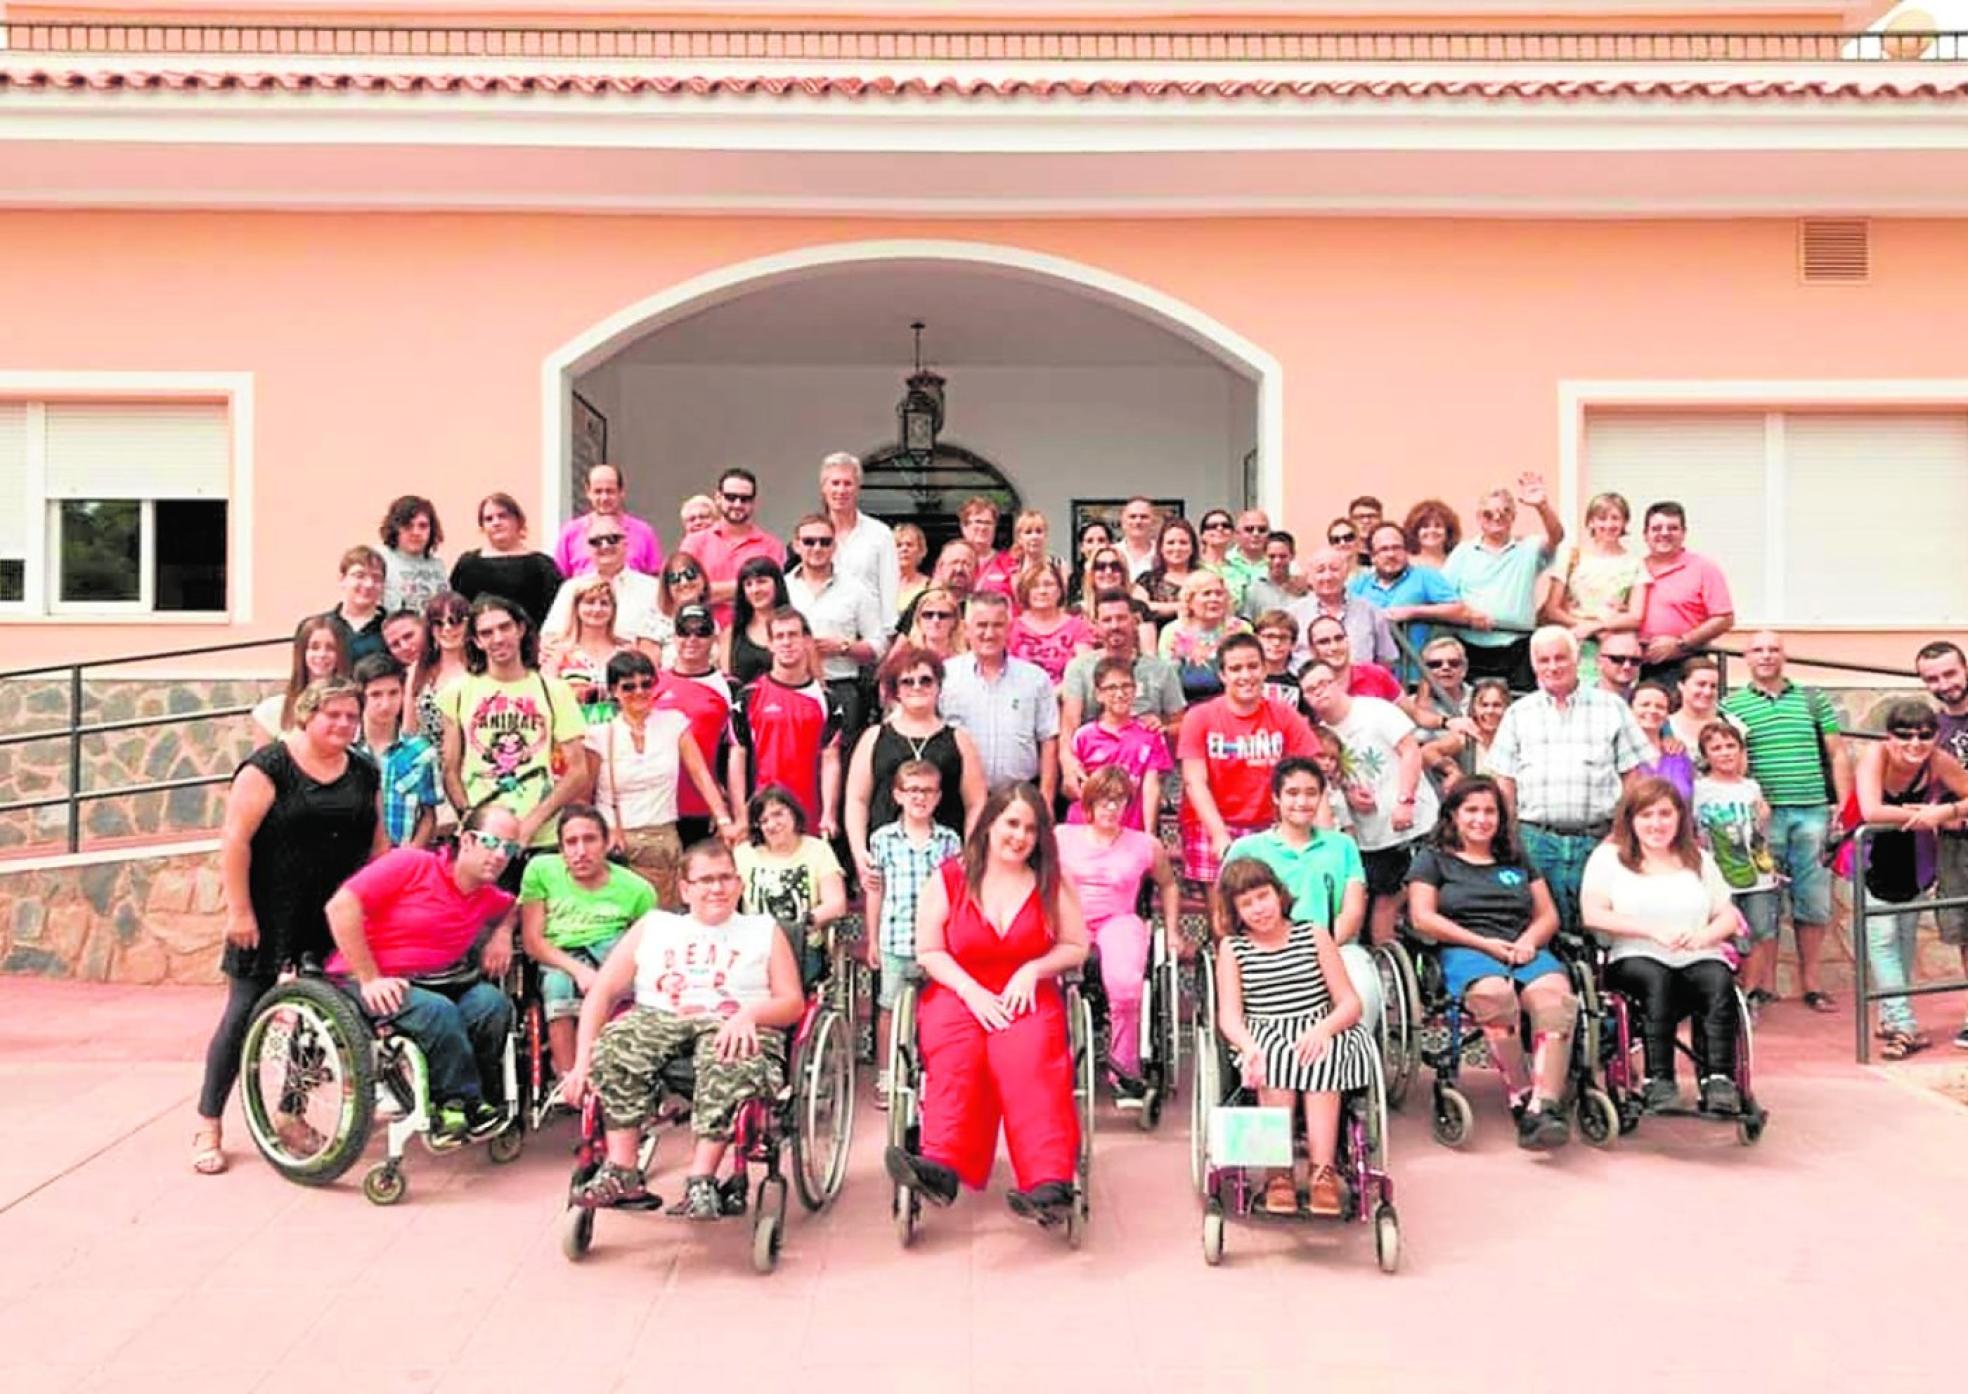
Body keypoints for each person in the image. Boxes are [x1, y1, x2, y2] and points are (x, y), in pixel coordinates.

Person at [192, 679, 385, 1175]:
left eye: (351, 716)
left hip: (333, 915)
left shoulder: (364, 770)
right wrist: (239, 911)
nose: (343, 724)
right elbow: (235, 840)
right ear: (307, 715)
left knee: (322, 1020)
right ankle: (209, 1123)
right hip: (270, 911)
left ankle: (291, 1114)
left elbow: (379, 845)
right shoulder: (268, 767)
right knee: (242, 1014)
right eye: (333, 715)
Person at [562, 838, 806, 1218]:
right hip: (660, 1015)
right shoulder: (655, 926)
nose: (717, 888)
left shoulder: (763, 930)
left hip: (733, 1020)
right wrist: (581, 1065)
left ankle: (701, 1181)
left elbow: (792, 1002)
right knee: (615, 1046)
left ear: (740, 884)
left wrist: (750, 1015)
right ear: (685, 888)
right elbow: (602, 991)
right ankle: (623, 1170)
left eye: (726, 878)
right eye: (705, 880)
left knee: (731, 1058)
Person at [883, 785, 1090, 1227]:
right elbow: (929, 950)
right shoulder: (949, 877)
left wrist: (1034, 969)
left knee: (1028, 1060)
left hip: (1027, 991)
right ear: (990, 824)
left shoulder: (1052, 881)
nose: (1020, 837)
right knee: (958, 1055)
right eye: (1012, 823)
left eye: (1031, 829)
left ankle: (1047, 1180)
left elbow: (1076, 945)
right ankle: (940, 1166)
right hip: (959, 988)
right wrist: (969, 990)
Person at [325, 804, 521, 1143]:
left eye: (510, 848)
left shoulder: (485, 896)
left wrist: (502, 933)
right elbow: (340, 906)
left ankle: (476, 1100)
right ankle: (454, 1104)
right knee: (437, 1011)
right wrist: (370, 977)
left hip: (437, 981)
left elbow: (515, 906)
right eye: (492, 842)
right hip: (365, 980)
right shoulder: (411, 864)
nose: (500, 855)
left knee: (491, 1004)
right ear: (467, 840)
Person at [1406, 777, 1576, 1149]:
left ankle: (1544, 1106)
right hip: (1465, 948)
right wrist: (1484, 944)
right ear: (1453, 814)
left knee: (1555, 1001)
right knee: (1494, 997)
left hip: (1521, 946)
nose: (1481, 819)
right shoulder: (1432, 859)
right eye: (1471, 810)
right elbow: (1422, 918)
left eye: (1490, 811)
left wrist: (1528, 941)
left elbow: (1548, 915)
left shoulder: (1516, 858)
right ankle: (1521, 1093)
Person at [1213, 858, 1375, 1216]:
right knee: (1273, 1058)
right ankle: (1278, 1173)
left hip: (1320, 1024)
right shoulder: (1234, 949)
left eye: (1263, 896)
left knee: (1321, 1055)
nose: (1259, 908)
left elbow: (1350, 1003)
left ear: (1279, 894)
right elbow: (1230, 1016)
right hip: (1263, 1029)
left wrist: (1324, 1029)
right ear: (1235, 911)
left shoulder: (1313, 934)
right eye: (1247, 903)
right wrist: (1248, 1046)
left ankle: (1322, 1172)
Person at [1580, 779, 1745, 1115]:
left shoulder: (1698, 859)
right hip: (1634, 955)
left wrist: (1705, 937)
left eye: (1665, 814)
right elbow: (1593, 914)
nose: (1656, 824)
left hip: (1696, 954)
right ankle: (1659, 1080)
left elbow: (1728, 915)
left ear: (1680, 817)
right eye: (1646, 815)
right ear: (1631, 820)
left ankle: (1719, 1080)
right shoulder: (1609, 859)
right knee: (1657, 979)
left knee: (1717, 978)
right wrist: (1651, 932)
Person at [1719, 630, 1851, 1012]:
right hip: (1764, 817)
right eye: (1758, 649)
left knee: (1813, 901)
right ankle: (1765, 984)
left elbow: (1837, 752)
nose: (1766, 655)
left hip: (1812, 811)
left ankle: (1812, 984)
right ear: (1746, 657)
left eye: (1773, 649)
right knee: (1764, 902)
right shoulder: (1732, 705)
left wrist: (1844, 805)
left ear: (1784, 655)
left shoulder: (1812, 699)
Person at [1486, 625, 1649, 933]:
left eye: (1560, 658)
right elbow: (1504, 782)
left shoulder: (1612, 707)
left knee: (1598, 929)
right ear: (1533, 665)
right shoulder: (1518, 713)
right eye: (1543, 660)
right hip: (1535, 840)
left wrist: (1621, 831)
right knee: (1540, 927)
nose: (1552, 667)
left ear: (1576, 660)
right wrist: (1510, 835)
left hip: (1599, 838)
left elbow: (1633, 777)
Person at [1223, 757, 1382, 1033]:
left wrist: (1317, 950)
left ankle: (1352, 1053)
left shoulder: (1343, 846)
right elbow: (1224, 911)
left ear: (1322, 797)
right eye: (1292, 793)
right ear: (1276, 797)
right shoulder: (1246, 848)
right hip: (1264, 949)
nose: (1302, 802)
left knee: (1364, 989)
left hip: (1336, 947)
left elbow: (1353, 911)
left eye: (1311, 793)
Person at [1056, 767, 1181, 1105]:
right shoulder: (1061, 837)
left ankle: (1123, 1069)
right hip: (1070, 918)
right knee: (1051, 980)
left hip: (1119, 920)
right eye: (1103, 801)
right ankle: (1057, 1062)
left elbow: (1169, 885)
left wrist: (1172, 931)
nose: (1111, 808)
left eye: (1118, 800)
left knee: (1126, 987)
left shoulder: (1145, 844)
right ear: (1088, 803)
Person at [439, 594, 590, 868]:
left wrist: (532, 822)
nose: (497, 638)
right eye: (486, 632)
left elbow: (578, 770)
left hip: (540, 837)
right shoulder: (458, 692)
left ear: (520, 629)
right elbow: (450, 768)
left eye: (504, 627)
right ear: (476, 641)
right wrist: (470, 817)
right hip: (483, 837)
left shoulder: (554, 691)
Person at [1854, 699, 1968, 1058]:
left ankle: (1891, 1016)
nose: (1914, 744)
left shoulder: (1938, 761)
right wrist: (1921, 816)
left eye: (1924, 735)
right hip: (1874, 858)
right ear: (1889, 736)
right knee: (1883, 940)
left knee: (1903, 939)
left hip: (1915, 862)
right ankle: (1904, 1025)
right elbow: (1871, 809)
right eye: (1904, 736)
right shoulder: (1875, 756)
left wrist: (1945, 811)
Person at [1299, 661, 1439, 947]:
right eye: (1311, 690)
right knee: (1382, 901)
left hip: (1419, 822)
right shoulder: (1319, 735)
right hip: (1370, 837)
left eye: (1324, 683)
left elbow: (1411, 751)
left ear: (1338, 682)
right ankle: (1383, 963)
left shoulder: (1375, 710)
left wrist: (1405, 800)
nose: (1320, 692)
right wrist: (1349, 793)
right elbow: (1331, 782)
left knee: (1423, 892)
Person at [518, 805, 658, 1088]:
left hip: (613, 950)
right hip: (558, 955)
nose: (581, 851)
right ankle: (569, 1079)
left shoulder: (638, 890)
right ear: (561, 849)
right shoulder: (541, 871)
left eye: (590, 839)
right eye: (571, 842)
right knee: (558, 983)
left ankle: (614, 1068)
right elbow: (533, 942)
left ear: (606, 843)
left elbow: (647, 948)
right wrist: (579, 971)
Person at [587, 649, 737, 906]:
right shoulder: (599, 734)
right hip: (617, 842)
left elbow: (700, 774)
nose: (639, 692)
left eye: (646, 684)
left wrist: (723, 820)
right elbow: (585, 794)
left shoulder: (674, 723)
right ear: (613, 691)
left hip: (662, 839)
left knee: (664, 917)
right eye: (628, 687)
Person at [1177, 634, 1319, 896]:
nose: (1246, 675)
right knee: (1222, 910)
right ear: (1222, 675)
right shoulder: (1199, 716)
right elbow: (1194, 782)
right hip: (1212, 820)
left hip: (1271, 822)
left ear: (1265, 670)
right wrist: (1219, 834)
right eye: (1236, 668)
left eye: (1253, 666)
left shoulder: (1285, 715)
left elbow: (1308, 776)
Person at [863, 759, 965, 1108]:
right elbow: (876, 890)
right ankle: (887, 1076)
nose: (919, 797)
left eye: (927, 791)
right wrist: (873, 938)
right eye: (912, 790)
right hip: (895, 939)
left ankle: (934, 1075)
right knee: (889, 1008)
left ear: (938, 797)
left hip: (938, 944)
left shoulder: (949, 841)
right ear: (897, 795)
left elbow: (957, 894)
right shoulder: (882, 840)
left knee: (937, 1011)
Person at [845, 644, 985, 884]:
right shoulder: (874, 737)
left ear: (938, 686)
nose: (917, 687)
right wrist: (860, 852)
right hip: (887, 861)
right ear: (896, 690)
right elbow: (857, 800)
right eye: (907, 682)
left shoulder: (960, 740)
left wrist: (970, 851)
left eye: (926, 680)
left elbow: (976, 802)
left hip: (946, 859)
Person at [1058, 588, 1186, 796]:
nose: (1114, 626)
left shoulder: (1161, 670)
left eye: (1121, 618)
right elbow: (1069, 725)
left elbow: (1181, 725)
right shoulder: (1079, 668)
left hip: (1148, 773)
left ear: (1135, 621)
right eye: (1107, 620)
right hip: (1096, 773)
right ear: (1095, 626)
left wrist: (1162, 728)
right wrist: (1068, 764)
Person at [1444, 474, 1565, 690]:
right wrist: (1468, 614)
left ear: (1513, 517)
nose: (1496, 518)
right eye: (1488, 513)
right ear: (1479, 518)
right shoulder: (1463, 552)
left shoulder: (1528, 548)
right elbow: (1444, 596)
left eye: (1504, 512)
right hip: (1471, 647)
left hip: (1517, 646)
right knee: (1472, 705)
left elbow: (1556, 537)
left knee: (1520, 703)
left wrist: (1542, 506)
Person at [728, 609, 843, 837]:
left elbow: (831, 759)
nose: (787, 642)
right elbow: (737, 756)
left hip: (808, 816)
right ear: (770, 644)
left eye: (793, 635)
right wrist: (741, 814)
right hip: (763, 816)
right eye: (779, 636)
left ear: (806, 641)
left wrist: (829, 814)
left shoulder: (827, 700)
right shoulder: (749, 696)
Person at [1691, 721, 1781, 1010]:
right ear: (1706, 755)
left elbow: (1759, 832)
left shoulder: (1751, 787)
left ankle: (1749, 994)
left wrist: (1764, 818)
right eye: (1716, 748)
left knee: (1759, 932)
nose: (1725, 753)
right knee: (1725, 935)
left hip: (1757, 875)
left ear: (1741, 750)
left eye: (1731, 746)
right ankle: (1722, 996)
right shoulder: (1699, 790)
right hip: (1717, 875)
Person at [941, 592, 1059, 801]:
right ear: (966, 629)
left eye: (997, 625)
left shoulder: (1035, 679)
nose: (989, 633)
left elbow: (1048, 740)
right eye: (981, 625)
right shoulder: (945, 677)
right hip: (958, 798)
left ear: (1009, 629)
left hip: (1019, 797)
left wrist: (1046, 799)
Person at [786, 511, 886, 743]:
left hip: (840, 687)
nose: (817, 548)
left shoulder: (857, 590)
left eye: (825, 542)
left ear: (834, 546)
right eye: (809, 541)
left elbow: (879, 645)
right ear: (796, 545)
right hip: (790, 686)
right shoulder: (782, 587)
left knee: (840, 758)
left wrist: (844, 648)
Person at [736, 784, 848, 988]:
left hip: (802, 944)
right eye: (764, 820)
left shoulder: (818, 850)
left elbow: (837, 903)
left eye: (778, 814)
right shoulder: (744, 854)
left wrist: (799, 926)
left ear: (794, 813)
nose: (772, 824)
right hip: (755, 946)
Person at [1913, 639, 1968, 1049]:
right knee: (1963, 931)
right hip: (1954, 844)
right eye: (1932, 678)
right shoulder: (1930, 730)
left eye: (1950, 673)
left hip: (1951, 822)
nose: (1944, 684)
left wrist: (1946, 812)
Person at [1539, 491, 1647, 684]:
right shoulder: (1571, 557)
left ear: (1625, 523)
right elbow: (1552, 609)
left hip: (1614, 652)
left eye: (1615, 518)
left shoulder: (1635, 563)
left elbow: (1636, 617)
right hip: (1576, 645)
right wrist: (1583, 627)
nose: (1608, 525)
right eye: (1602, 518)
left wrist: (1596, 627)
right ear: (1590, 522)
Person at [652, 605, 734, 846]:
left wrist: (725, 807)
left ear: (714, 638)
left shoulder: (729, 687)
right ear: (674, 637)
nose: (692, 639)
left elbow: (735, 751)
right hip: (658, 804)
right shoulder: (651, 682)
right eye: (684, 632)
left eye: (701, 632)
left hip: (702, 805)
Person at [1063, 657, 1172, 830]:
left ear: (1135, 690)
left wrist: (1149, 835)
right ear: (1098, 694)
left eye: (1126, 686)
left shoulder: (1150, 735)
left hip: (1130, 830)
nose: (1120, 694)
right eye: (1111, 688)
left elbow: (1151, 788)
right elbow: (1070, 787)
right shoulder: (1084, 736)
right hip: (1086, 830)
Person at [1349, 524, 1469, 680]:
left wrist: (1413, 611)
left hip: (1415, 677)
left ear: (1406, 551)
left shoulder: (1425, 576)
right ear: (1372, 556)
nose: (1391, 554)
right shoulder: (1359, 584)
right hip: (1372, 679)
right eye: (1384, 549)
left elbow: (1458, 609)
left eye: (1397, 548)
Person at [1636, 501, 1735, 682]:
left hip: (1686, 664)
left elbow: (1724, 618)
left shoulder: (1703, 568)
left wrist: (1681, 643)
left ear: (1683, 533)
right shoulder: (1634, 569)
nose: (1664, 533)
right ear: (1645, 535)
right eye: (1656, 528)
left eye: (1672, 528)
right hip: (1636, 665)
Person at [352, 653, 440, 849]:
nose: (386, 704)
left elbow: (428, 814)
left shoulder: (421, 752)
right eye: (376, 695)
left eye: (393, 693)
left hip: (402, 854)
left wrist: (410, 853)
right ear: (361, 697)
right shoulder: (347, 750)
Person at [681, 467, 785, 626]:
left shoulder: (772, 546)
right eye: (731, 497)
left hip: (754, 634)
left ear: (754, 503)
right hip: (703, 633)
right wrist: (747, 588)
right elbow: (685, 593)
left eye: (745, 499)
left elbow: (772, 596)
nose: (737, 504)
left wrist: (710, 592)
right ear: (718, 498)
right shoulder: (694, 543)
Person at [448, 492, 563, 636]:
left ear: (518, 521)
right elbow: (456, 609)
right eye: (489, 519)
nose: (496, 523)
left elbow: (557, 613)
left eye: (502, 516)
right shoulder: (467, 564)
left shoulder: (542, 565)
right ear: (482, 527)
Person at [542, 513, 659, 644]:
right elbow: (549, 638)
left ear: (626, 544)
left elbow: (667, 637)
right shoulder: (571, 588)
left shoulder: (652, 589)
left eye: (613, 539)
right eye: (596, 542)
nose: (605, 545)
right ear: (588, 549)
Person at [819, 451, 900, 638]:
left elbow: (889, 590)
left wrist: (888, 636)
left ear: (858, 488)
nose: (841, 490)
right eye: (835, 483)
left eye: (847, 483)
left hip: (868, 637)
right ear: (823, 487)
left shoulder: (880, 535)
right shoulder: (812, 536)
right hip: (823, 634)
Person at [540, 570, 635, 724]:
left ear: (613, 609)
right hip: (572, 730)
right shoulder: (557, 651)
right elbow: (546, 698)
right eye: (590, 602)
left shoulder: (626, 650)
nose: (597, 609)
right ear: (576, 607)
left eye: (604, 603)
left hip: (619, 732)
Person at [1293, 546, 1399, 671]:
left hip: (1360, 682)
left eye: (1334, 569)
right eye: (1320, 571)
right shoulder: (1294, 614)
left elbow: (1386, 659)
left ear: (1346, 573)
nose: (1328, 577)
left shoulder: (1370, 611)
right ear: (1309, 577)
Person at [554, 462, 664, 579]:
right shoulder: (571, 533)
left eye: (610, 491)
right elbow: (558, 578)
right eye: (598, 491)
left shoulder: (643, 533)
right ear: (588, 492)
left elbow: (656, 579)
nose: (604, 498)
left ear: (621, 492)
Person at [1159, 569, 1252, 706]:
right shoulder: (1173, 632)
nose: (1214, 599)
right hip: (1187, 706)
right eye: (1206, 594)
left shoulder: (1241, 629)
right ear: (1190, 600)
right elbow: (1169, 683)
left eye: (1219, 593)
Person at [253, 614, 350, 739]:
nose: (322, 654)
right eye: (314, 647)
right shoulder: (271, 711)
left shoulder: (352, 710)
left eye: (330, 648)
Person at [1007, 562, 1096, 685]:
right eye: (1035, 586)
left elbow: (1083, 672)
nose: (1042, 591)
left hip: (1066, 694)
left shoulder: (1078, 627)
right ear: (1026, 591)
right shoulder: (1011, 628)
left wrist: (1054, 693)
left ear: (1060, 590)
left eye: (1048, 584)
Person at [1424, 676, 1511, 790]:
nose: (1490, 711)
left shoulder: (1515, 736)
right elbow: (1427, 751)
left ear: (1507, 708)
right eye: (1484, 705)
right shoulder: (1467, 736)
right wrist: (1452, 771)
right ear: (1474, 708)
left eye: (1497, 705)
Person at [410, 590, 472, 746]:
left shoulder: (482, 670)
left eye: (455, 621)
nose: (447, 628)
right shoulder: (418, 670)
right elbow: (409, 732)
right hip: (426, 757)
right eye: (438, 623)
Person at [720, 554, 791, 689]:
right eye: (748, 584)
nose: (755, 590)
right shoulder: (731, 633)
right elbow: (727, 682)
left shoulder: (796, 628)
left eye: (761, 581)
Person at [1300, 614, 1402, 702]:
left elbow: (1408, 713)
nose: (1334, 647)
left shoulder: (1376, 675)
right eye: (1324, 642)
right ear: (1312, 649)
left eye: (1339, 638)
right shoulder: (1307, 688)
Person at [316, 545, 388, 663]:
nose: (369, 584)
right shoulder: (320, 628)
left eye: (376, 577)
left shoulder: (393, 630)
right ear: (342, 579)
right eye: (360, 576)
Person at [378, 495, 449, 613]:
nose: (416, 532)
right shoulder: (379, 560)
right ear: (395, 528)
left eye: (423, 526)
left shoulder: (438, 565)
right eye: (408, 526)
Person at [640, 554, 710, 670]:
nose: (684, 582)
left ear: (703, 580)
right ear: (667, 588)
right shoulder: (653, 623)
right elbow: (648, 672)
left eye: (690, 574)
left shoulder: (712, 620)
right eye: (674, 578)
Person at [1667, 656, 1742, 762]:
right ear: (1681, 685)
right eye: (1701, 684)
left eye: (1713, 686)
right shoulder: (1663, 726)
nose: (1707, 692)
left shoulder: (1733, 724)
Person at [1134, 516, 1202, 633]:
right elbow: (1139, 608)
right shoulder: (1147, 580)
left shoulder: (1204, 578)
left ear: (1192, 548)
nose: (1177, 548)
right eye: (1170, 543)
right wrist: (1181, 606)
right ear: (1161, 547)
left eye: (1183, 543)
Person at [1631, 680, 1695, 804]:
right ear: (1630, 709)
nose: (1652, 710)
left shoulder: (1678, 755)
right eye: (1645, 705)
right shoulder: (1620, 753)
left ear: (1667, 715)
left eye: (1660, 707)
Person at [896, 539, 976, 636]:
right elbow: (901, 642)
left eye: (967, 564)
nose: (959, 569)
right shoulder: (923, 601)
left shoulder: (980, 606)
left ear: (975, 569)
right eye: (954, 562)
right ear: (940, 567)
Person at [959, 495, 1020, 602]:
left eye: (988, 523)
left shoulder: (1009, 562)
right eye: (978, 521)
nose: (983, 527)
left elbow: (1018, 600)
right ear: (964, 527)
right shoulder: (951, 561)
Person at [1239, 530, 1309, 621]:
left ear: (1292, 556)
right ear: (1264, 556)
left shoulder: (1302, 588)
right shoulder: (1253, 590)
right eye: (1272, 556)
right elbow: (1247, 622)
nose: (1277, 561)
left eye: (1283, 556)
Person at [1252, 610, 1306, 715]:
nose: (1276, 643)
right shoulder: (1244, 679)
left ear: (1293, 644)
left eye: (1283, 637)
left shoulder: (1299, 685)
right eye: (1269, 636)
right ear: (1256, 639)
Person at [1221, 508, 1276, 608]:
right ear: (1236, 534)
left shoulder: (1281, 564)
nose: (1256, 534)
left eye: (1262, 530)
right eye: (1249, 529)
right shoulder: (1223, 562)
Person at [903, 583, 967, 661]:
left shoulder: (965, 661)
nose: (935, 620)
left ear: (954, 621)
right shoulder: (906, 659)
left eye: (943, 615)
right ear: (919, 620)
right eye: (928, 615)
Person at [1067, 518, 1115, 612]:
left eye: (1101, 540)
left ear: (1110, 544)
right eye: (1089, 541)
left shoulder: (1117, 572)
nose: (1095, 545)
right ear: (1082, 547)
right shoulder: (1074, 579)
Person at [1402, 498, 1462, 571]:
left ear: (1448, 531)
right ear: (1415, 531)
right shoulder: (1404, 564)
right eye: (1425, 526)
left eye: (1438, 526)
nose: (1432, 530)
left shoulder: (1457, 562)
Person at [1116, 495, 1161, 581]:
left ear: (1153, 522)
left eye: (1144, 517)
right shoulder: (1112, 553)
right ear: (1122, 522)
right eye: (1132, 517)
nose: (1138, 521)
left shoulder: (1162, 553)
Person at [1595, 631, 1646, 704]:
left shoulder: (1646, 704)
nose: (1627, 666)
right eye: (1618, 659)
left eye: (1635, 660)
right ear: (1599, 662)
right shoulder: (1581, 699)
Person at [894, 522, 932, 615]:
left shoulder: (931, 586)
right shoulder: (879, 585)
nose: (904, 549)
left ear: (921, 551)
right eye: (898, 545)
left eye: (909, 545)